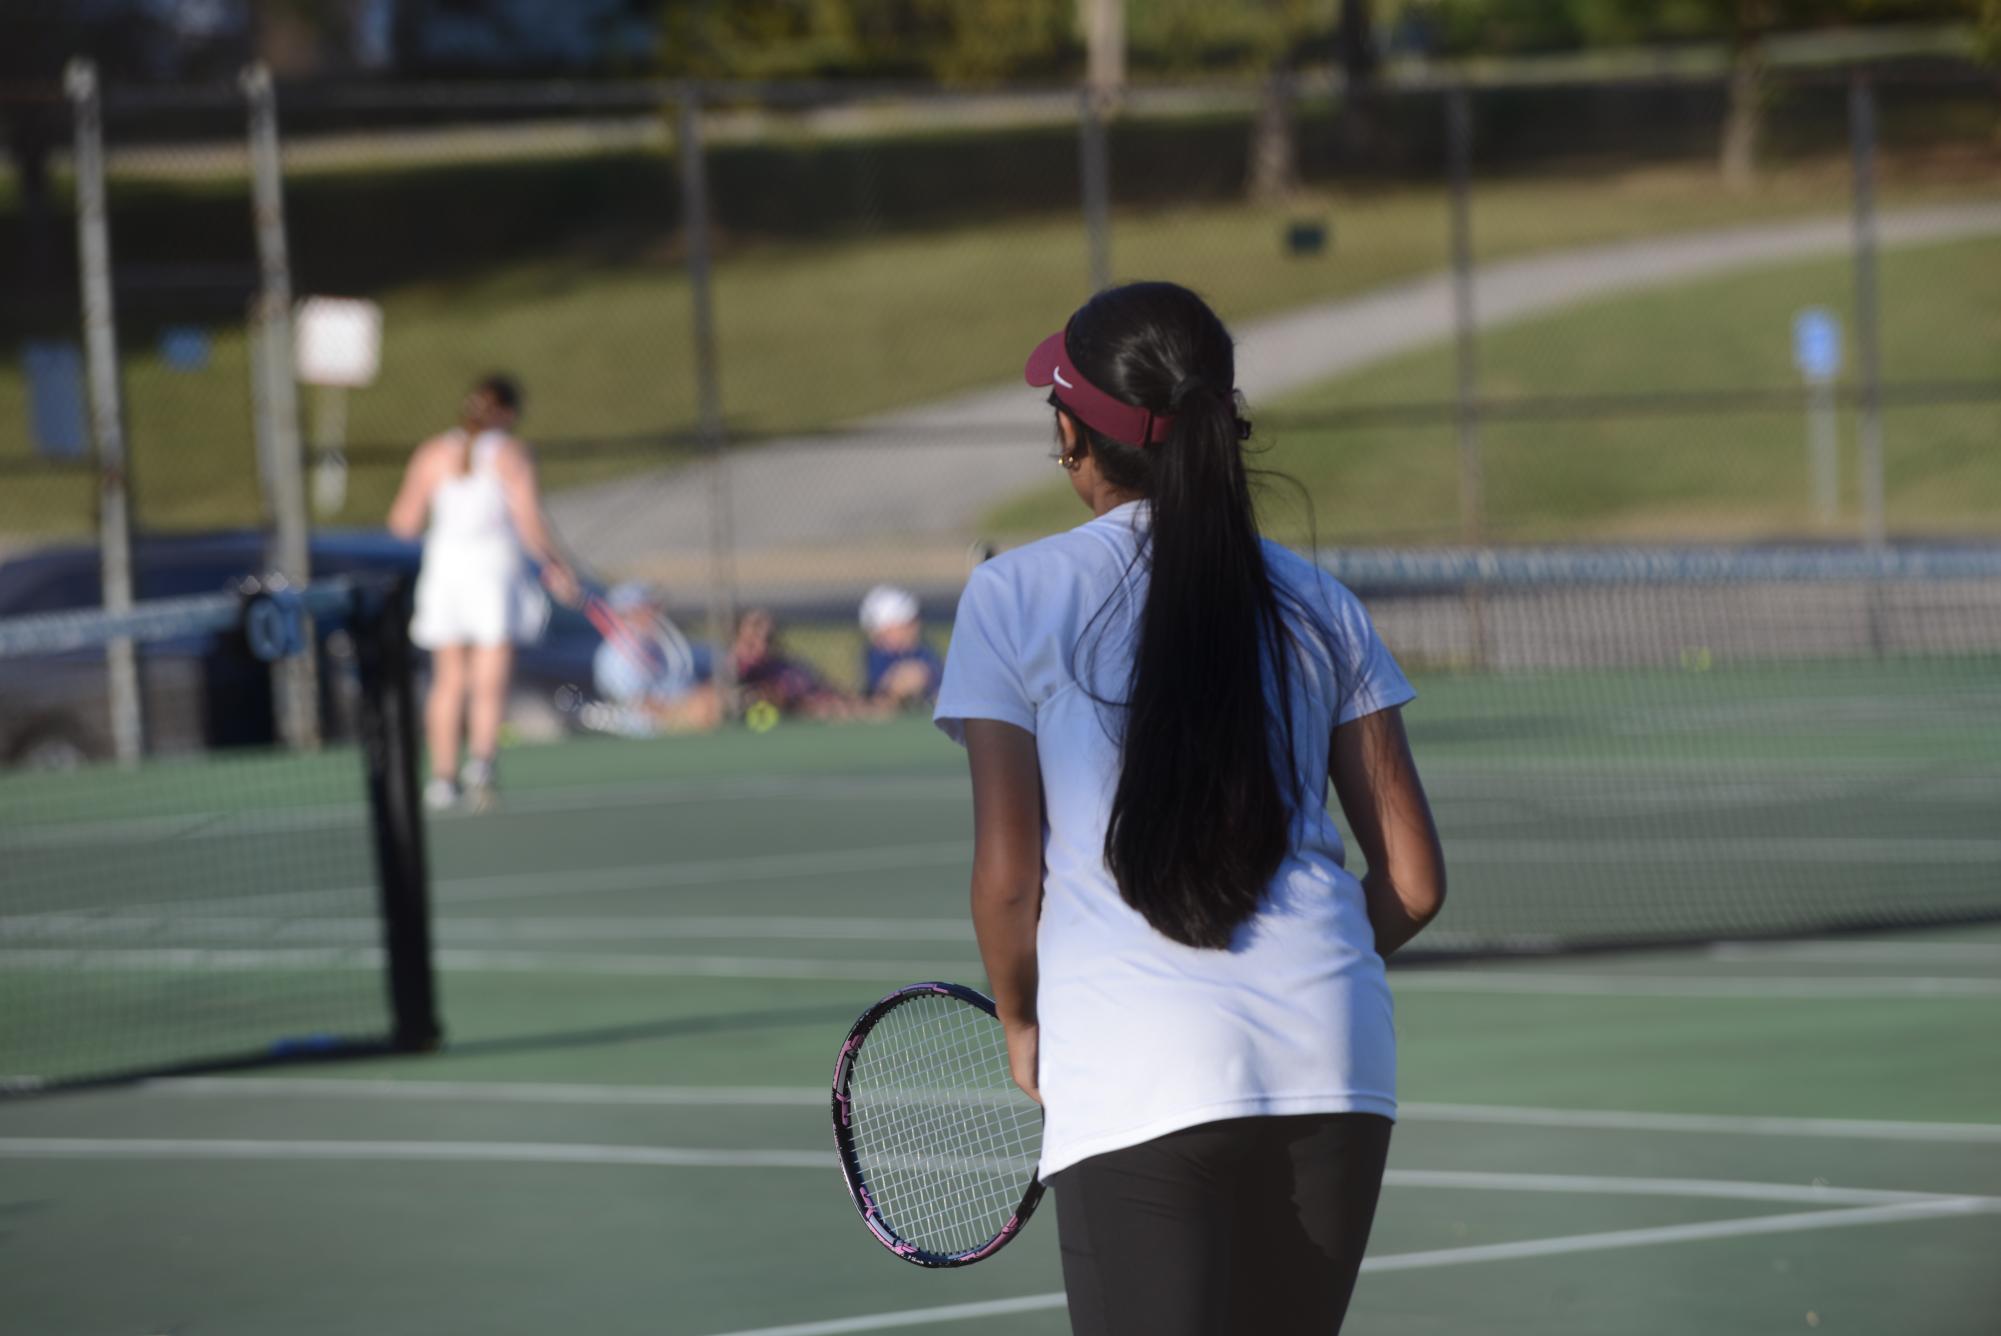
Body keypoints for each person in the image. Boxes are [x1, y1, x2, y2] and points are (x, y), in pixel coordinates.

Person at [934, 282, 1446, 1336]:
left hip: (1136, 1064)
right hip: (1336, 1059)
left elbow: (1006, 876)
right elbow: (1413, 881)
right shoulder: (1321, 601)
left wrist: (1024, 1017)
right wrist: (1314, 970)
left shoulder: (1012, 594)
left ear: (1074, 434)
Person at [388, 373, 578, 811]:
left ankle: (442, 778)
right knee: (488, 677)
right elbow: (530, 521)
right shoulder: (511, 454)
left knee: (448, 679)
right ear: (508, 414)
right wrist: (556, 566)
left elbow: (402, 523)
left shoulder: (432, 453)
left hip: (446, 571)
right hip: (491, 570)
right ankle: (481, 764)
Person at [590, 582, 719, 733]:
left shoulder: (663, 645)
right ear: (626, 614)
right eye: (648, 608)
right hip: (644, 736)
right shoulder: (614, 658)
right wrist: (687, 709)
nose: (656, 615)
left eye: (656, 608)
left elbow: (688, 685)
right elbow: (639, 707)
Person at [858, 584, 942, 709]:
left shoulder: (922, 651)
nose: (914, 628)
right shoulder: (876, 656)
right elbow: (878, 690)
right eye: (906, 624)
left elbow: (939, 675)